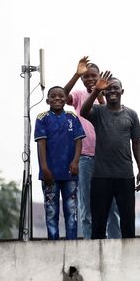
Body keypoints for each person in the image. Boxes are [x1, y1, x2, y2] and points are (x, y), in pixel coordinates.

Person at [63, 56, 121, 239]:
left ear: (99, 77)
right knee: (86, 203)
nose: (89, 79)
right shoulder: (80, 95)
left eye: (93, 76)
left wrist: (99, 92)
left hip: (105, 157)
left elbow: (109, 116)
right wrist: (75, 74)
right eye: (86, 76)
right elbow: (63, 96)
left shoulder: (107, 96)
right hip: (85, 156)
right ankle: (89, 241)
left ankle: (115, 241)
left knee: (112, 204)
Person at [81, 72, 140, 239]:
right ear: (104, 92)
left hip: (125, 175)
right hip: (101, 175)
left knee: (128, 223)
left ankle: (128, 260)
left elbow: (137, 143)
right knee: (98, 224)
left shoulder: (131, 114)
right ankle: (97, 262)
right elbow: (83, 111)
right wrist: (96, 91)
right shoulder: (98, 112)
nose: (112, 91)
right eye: (108, 89)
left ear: (122, 91)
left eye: (115, 88)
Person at [34, 86, 85, 240]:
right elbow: (41, 144)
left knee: (71, 209)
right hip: (50, 173)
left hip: (70, 173)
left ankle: (71, 241)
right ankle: (53, 242)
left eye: (61, 96)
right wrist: (44, 168)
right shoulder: (42, 118)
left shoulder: (72, 117)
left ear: (65, 99)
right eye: (53, 96)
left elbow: (78, 141)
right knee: (51, 210)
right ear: (48, 100)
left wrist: (76, 161)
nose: (57, 98)